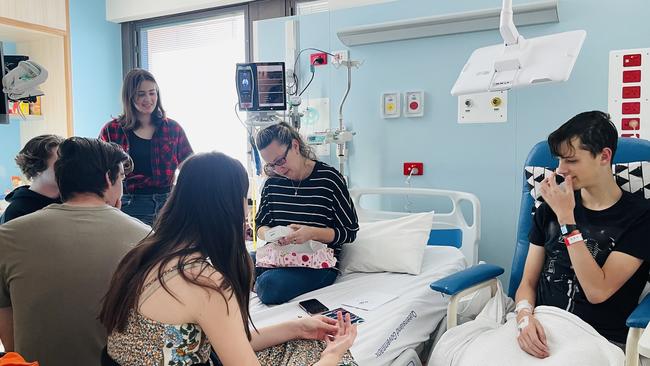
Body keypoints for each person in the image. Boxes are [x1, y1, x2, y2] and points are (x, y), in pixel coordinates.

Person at [99, 152, 357, 366]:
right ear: (228, 207)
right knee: (333, 357)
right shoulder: (203, 283)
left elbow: (225, 340)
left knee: (304, 343)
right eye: (244, 200)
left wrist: (298, 327)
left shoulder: (145, 255)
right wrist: (333, 355)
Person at [0, 137, 151, 366]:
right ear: (108, 179)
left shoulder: (8, 235)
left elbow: (5, 318)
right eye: (121, 178)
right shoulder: (145, 238)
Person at [515, 111, 650, 358]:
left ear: (604, 156)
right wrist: (524, 317)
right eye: (559, 160)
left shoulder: (640, 218)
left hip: (596, 337)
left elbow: (597, 292)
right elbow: (527, 282)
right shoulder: (549, 208)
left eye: (572, 161)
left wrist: (567, 220)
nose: (561, 170)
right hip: (540, 325)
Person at [254, 122, 359, 305]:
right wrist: (272, 234)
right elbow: (260, 225)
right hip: (279, 255)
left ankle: (258, 281)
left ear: (295, 146)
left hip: (317, 264)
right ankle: (259, 277)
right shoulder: (272, 184)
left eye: (280, 161)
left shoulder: (329, 179)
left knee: (269, 285)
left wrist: (310, 233)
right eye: (271, 165)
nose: (278, 170)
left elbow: (349, 231)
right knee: (232, 263)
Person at [99, 68, 193, 226]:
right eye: (141, 94)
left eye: (152, 92)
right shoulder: (112, 130)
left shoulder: (172, 128)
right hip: (130, 204)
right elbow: (100, 171)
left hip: (168, 204)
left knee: (168, 250)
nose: (148, 99)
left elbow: (190, 165)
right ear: (129, 97)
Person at [0, 134, 63, 224]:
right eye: (60, 163)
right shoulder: (17, 212)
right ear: (38, 168)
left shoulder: (70, 201)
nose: (69, 167)